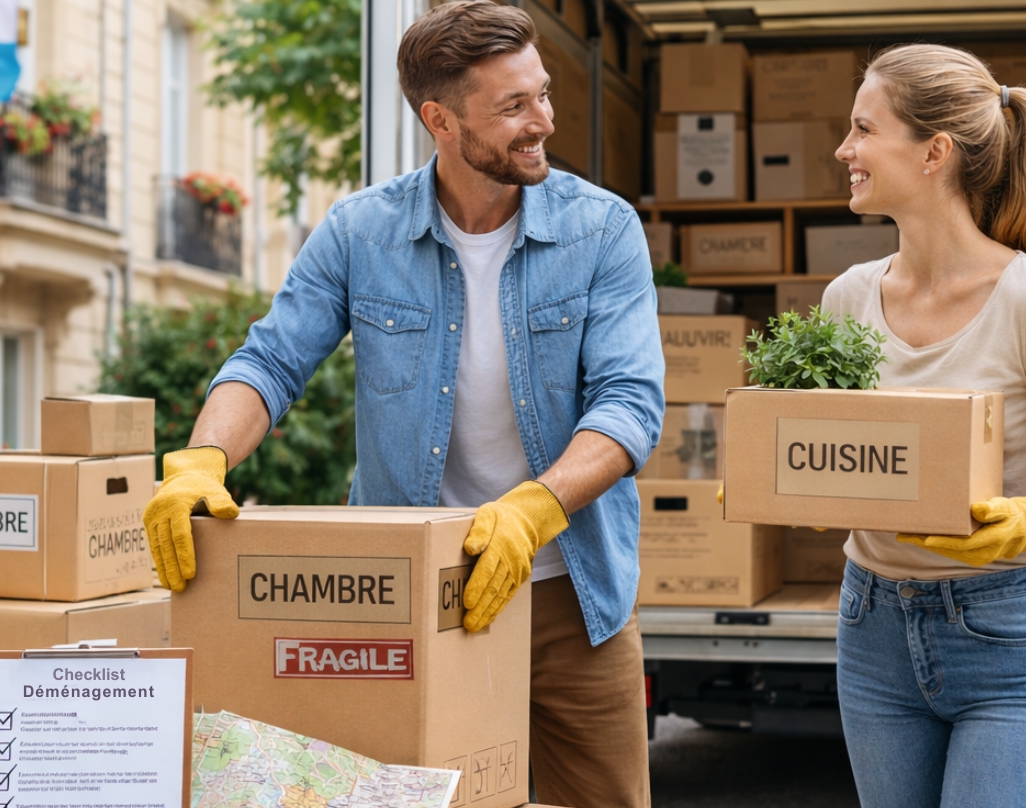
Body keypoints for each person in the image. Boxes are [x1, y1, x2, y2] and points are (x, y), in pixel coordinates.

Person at [141, 3, 661, 805]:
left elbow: (629, 403)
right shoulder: (361, 231)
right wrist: (202, 458)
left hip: (570, 597)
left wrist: (534, 509)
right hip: (406, 600)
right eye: (514, 107)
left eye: (544, 95)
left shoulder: (603, 230)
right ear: (440, 119)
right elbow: (272, 359)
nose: (543, 122)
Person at [823, 43, 1026, 807]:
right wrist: (786, 474)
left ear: (935, 152)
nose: (843, 149)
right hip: (872, 632)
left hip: (1008, 639)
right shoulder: (848, 299)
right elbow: (842, 454)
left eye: (863, 129)